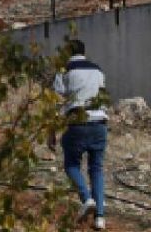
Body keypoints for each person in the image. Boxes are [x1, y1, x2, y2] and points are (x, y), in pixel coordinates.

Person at [52, 38, 109, 229]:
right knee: (96, 169)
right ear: (84, 52)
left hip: (77, 123)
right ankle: (100, 218)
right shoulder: (98, 69)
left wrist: (52, 130)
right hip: (100, 123)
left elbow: (57, 99)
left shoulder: (65, 70)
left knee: (71, 165)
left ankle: (86, 198)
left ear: (68, 52)